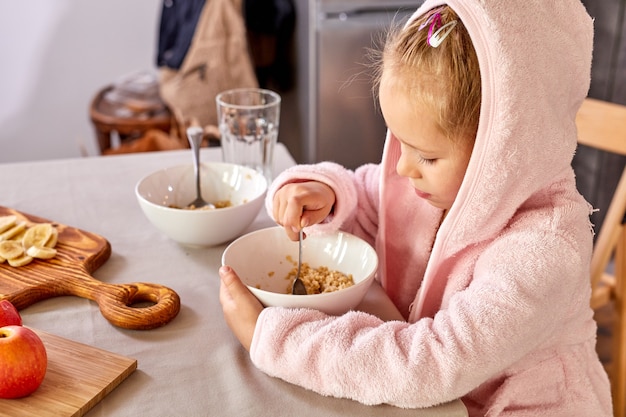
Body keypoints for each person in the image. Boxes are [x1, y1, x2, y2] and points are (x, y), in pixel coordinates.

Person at [219, 0, 613, 415]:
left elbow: (430, 364)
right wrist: (325, 192)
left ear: (501, 154)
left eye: (426, 155)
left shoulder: (544, 249)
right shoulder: (428, 184)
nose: (404, 168)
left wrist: (274, 337)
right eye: (399, 141)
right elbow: (367, 196)